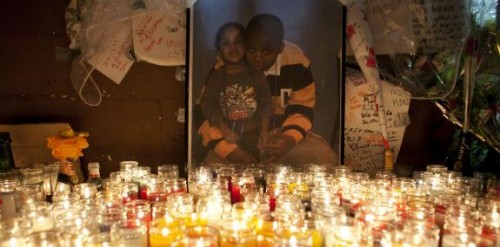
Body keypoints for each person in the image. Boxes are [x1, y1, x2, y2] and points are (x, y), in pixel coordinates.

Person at [199, 14, 338, 170]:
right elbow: (206, 112)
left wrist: (290, 139)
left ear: (280, 48)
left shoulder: (296, 61)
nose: (258, 58)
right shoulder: (227, 65)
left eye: (267, 52)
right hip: (234, 137)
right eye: (251, 50)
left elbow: (303, 108)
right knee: (211, 171)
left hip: (282, 133)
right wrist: (232, 151)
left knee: (324, 160)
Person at [199, 22, 273, 165]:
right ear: (218, 51)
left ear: (246, 46)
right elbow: (208, 105)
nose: (233, 48)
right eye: (226, 44)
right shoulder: (216, 77)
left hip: (254, 139)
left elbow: (266, 105)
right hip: (227, 139)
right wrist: (223, 128)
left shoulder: (257, 75)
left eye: (238, 42)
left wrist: (264, 131)